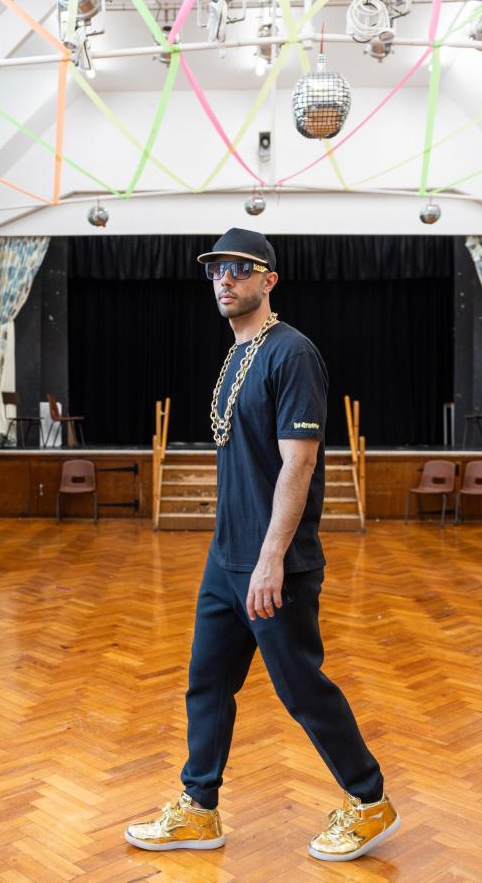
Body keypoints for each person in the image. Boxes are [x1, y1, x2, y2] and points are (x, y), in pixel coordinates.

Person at [125, 228, 400, 861]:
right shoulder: (233, 356)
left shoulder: (291, 353)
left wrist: (272, 557)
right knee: (207, 681)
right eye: (217, 270)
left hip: (276, 562)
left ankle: (370, 799)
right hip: (227, 558)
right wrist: (237, 556)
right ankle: (198, 808)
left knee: (301, 686)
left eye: (240, 270)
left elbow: (298, 465)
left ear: (268, 280)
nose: (225, 280)